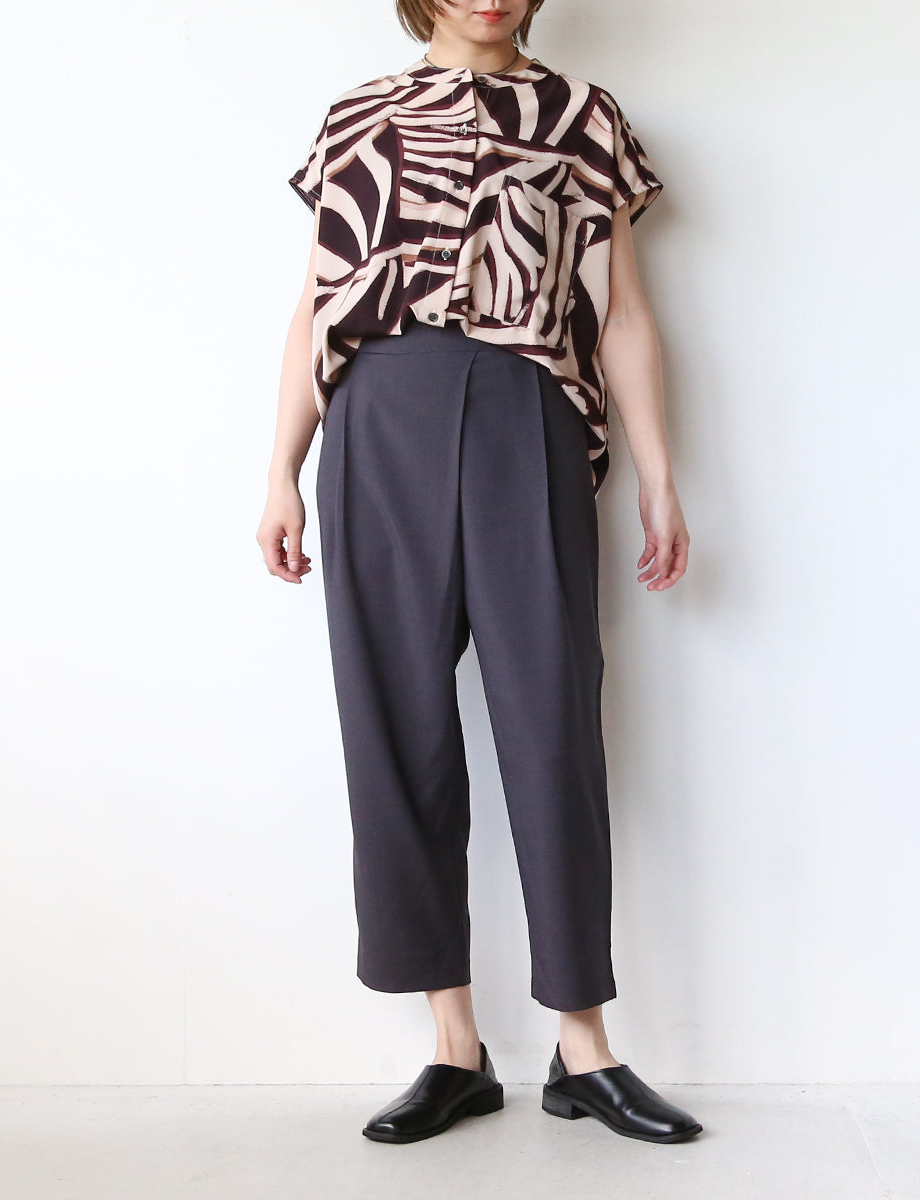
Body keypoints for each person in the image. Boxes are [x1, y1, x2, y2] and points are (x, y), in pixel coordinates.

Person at [256, 0, 699, 1145]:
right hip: (378, 419)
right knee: (396, 725)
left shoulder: (581, 115)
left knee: (552, 721)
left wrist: (659, 474)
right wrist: (280, 471)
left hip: (525, 409)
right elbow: (314, 303)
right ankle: (454, 1048)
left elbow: (623, 313)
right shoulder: (357, 118)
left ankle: (583, 1047)